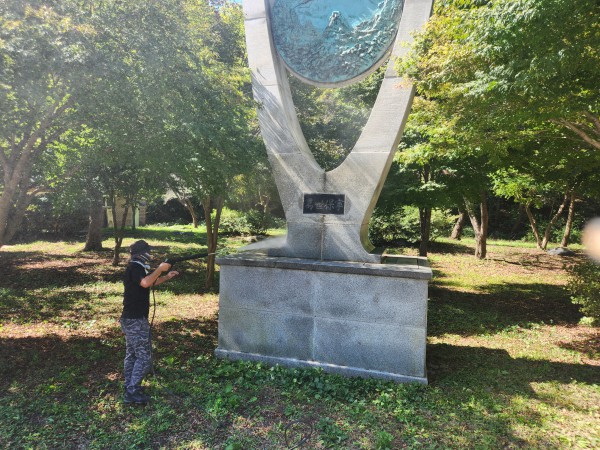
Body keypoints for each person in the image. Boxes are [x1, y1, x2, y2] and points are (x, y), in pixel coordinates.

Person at [120, 240, 179, 405]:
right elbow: (145, 282)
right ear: (141, 253)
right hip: (135, 320)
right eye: (148, 251)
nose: (150, 255)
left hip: (131, 318)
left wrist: (166, 276)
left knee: (132, 354)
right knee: (144, 357)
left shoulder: (137, 267)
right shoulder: (135, 267)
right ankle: (132, 392)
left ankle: (130, 386)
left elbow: (148, 282)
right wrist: (159, 269)